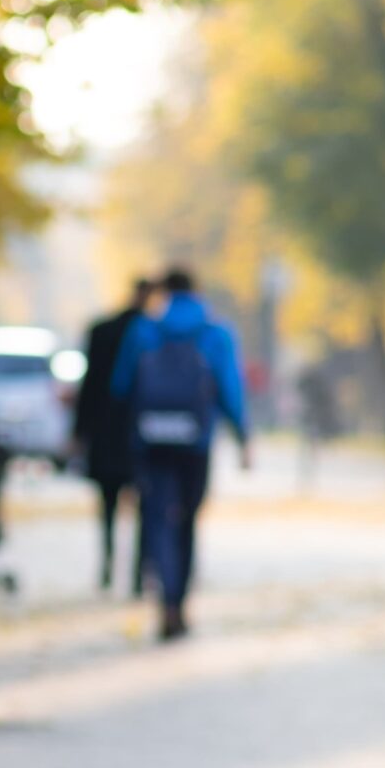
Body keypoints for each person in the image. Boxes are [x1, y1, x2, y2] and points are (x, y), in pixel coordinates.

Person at [112, 267, 251, 641]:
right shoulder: (215, 333)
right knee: (187, 520)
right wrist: (243, 436)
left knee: (156, 518)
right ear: (197, 289)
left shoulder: (145, 330)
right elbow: (230, 388)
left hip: (151, 439)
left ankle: (164, 599)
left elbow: (121, 385)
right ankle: (179, 601)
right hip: (196, 440)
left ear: (164, 292)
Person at [73, 278, 154, 592]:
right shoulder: (151, 333)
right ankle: (138, 572)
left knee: (107, 504)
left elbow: (89, 384)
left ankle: (107, 565)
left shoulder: (101, 330)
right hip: (140, 430)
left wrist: (79, 430)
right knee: (144, 505)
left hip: (105, 430)